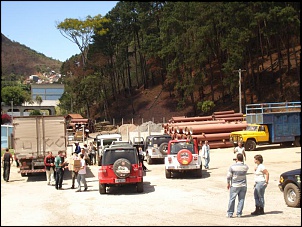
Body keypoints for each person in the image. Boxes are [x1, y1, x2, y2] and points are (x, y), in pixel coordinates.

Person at [226, 153, 249, 218]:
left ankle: (230, 213)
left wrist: (228, 183)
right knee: (241, 199)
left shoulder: (232, 167)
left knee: (232, 199)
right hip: (243, 185)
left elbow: (228, 176)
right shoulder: (245, 167)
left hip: (235, 185)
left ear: (237, 159)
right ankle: (239, 213)